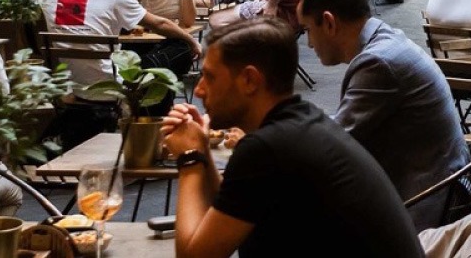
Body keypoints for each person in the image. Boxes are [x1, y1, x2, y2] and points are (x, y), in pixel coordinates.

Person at [158, 18, 426, 258]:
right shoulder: (301, 122)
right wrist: (204, 151)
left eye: (210, 77)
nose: (200, 90)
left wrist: (189, 160)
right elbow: (233, 206)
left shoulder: (268, 148)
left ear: (250, 80)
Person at [297, 0, 468, 231]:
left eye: (308, 30)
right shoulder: (385, 41)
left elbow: (335, 143)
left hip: (420, 205)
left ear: (329, 23)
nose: (308, 44)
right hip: (441, 187)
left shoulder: (379, 62)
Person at [39, 0, 200, 148]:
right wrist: (191, 40)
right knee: (170, 58)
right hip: (107, 86)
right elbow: (160, 25)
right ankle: (151, 140)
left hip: (65, 85)